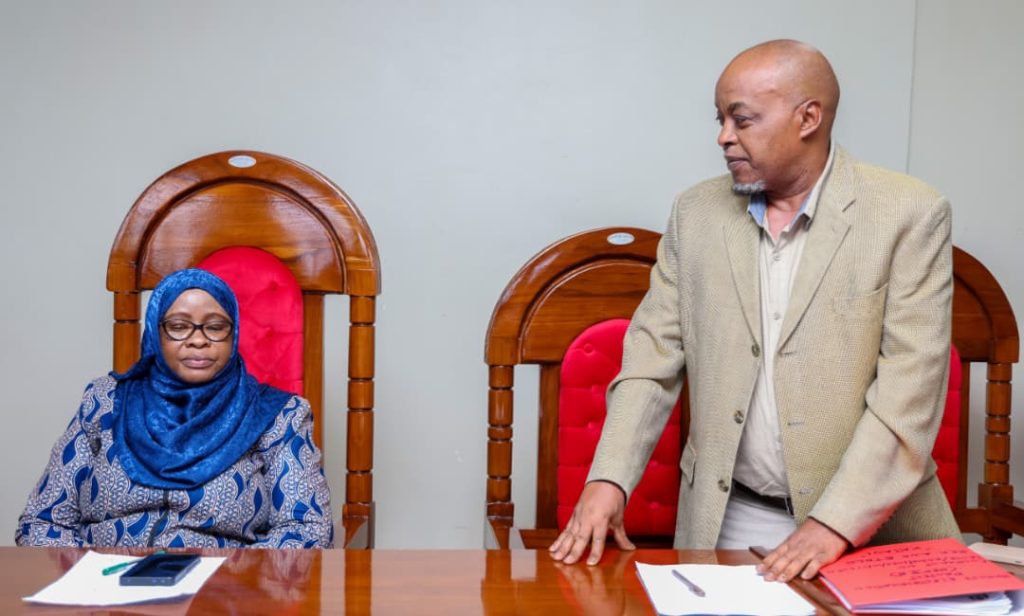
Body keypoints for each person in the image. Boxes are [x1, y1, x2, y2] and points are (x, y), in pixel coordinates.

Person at [549, 39, 960, 581]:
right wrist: (609, 479)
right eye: (720, 119)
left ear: (808, 118)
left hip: (873, 528)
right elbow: (651, 358)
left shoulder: (909, 213)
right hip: (730, 520)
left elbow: (909, 394)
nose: (723, 136)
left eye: (741, 120)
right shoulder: (695, 213)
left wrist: (833, 524)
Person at [17, 268, 332, 548]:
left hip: (224, 589)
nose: (198, 340)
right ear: (156, 333)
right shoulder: (104, 402)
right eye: (179, 326)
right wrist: (90, 579)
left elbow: (306, 531)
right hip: (105, 587)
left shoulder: (278, 415)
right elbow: (41, 522)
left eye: (215, 327)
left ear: (233, 334)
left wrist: (231, 580)